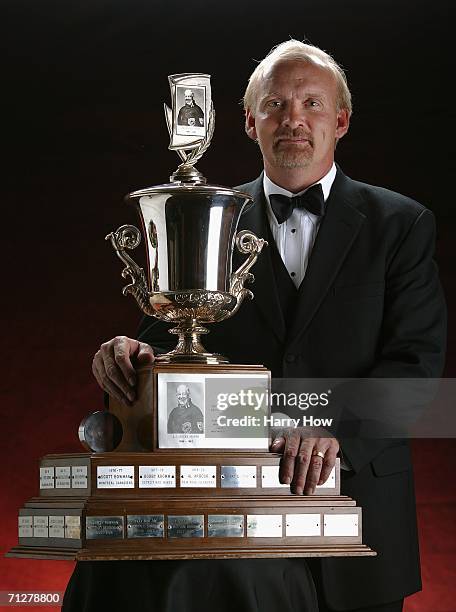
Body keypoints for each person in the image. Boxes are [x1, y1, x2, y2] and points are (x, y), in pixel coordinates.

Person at [81, 40, 447, 612]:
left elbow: (419, 377)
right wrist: (128, 355)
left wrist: (331, 427)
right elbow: (172, 348)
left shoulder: (402, 224)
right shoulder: (211, 218)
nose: (293, 120)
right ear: (250, 123)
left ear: (342, 120)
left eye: (312, 104)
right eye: (275, 106)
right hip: (235, 532)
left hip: (359, 523)